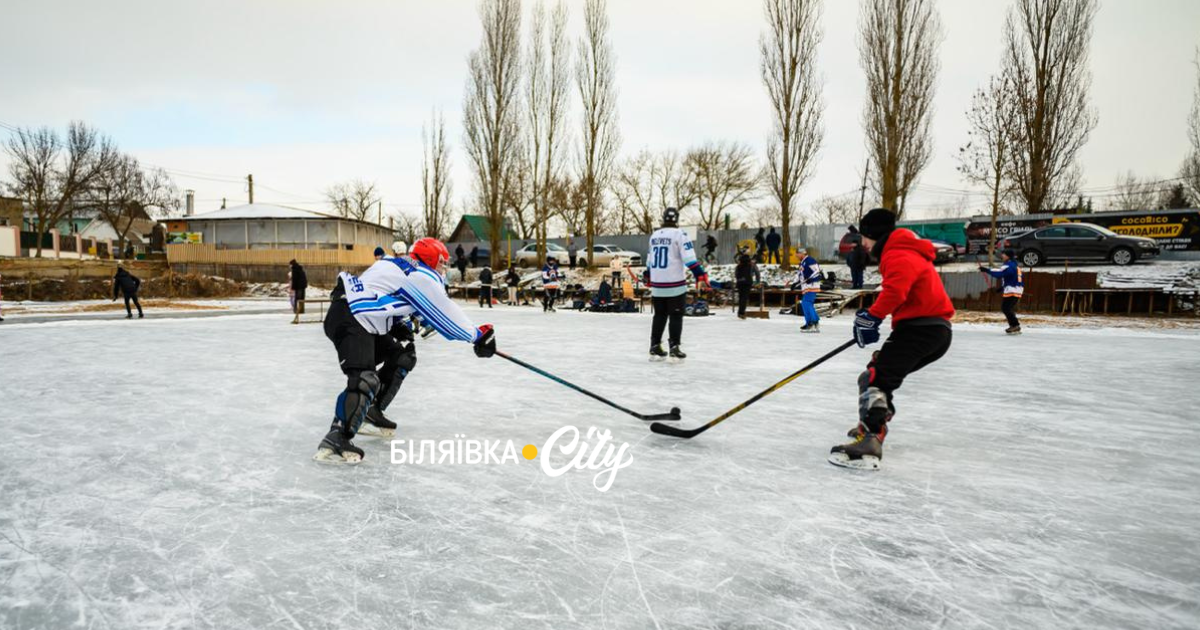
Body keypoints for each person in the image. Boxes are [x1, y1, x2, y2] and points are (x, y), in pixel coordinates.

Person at [314, 237, 496, 463]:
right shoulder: (420, 275)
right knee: (364, 379)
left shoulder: (397, 265)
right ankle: (336, 438)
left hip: (359, 316)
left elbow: (385, 292)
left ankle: (371, 412)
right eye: (441, 262)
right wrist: (477, 335)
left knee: (402, 356)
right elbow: (445, 313)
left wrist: (399, 322)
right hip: (353, 319)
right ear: (430, 260)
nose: (444, 268)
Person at [832, 208, 954, 471]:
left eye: (864, 237)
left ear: (874, 234)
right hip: (927, 329)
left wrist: (872, 317)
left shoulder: (898, 252)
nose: (862, 243)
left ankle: (872, 437)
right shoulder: (903, 250)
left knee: (877, 378)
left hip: (922, 329)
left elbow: (896, 291)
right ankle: (870, 424)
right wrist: (873, 317)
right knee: (874, 374)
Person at [647, 207, 708, 361]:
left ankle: (654, 345)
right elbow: (689, 259)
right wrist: (699, 274)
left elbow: (650, 260)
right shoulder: (680, 235)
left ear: (664, 218)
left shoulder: (654, 236)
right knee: (675, 315)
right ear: (677, 219)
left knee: (659, 315)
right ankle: (674, 346)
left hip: (657, 284)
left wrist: (648, 275)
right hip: (674, 284)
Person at [980, 248, 1024, 334]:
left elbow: (999, 274)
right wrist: (1002, 288)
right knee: (1008, 308)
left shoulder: (1009, 265)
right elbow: (1011, 278)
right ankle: (1014, 325)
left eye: (1004, 254)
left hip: (1012, 289)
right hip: (1017, 289)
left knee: (1006, 308)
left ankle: (1015, 325)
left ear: (1008, 256)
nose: (1002, 255)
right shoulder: (1014, 265)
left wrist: (986, 270)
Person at [794, 248, 823, 332]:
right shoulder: (802, 262)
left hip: (812, 285)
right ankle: (812, 322)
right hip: (806, 286)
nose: (796, 256)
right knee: (805, 303)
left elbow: (817, 271)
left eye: (797, 254)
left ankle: (812, 322)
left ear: (802, 253)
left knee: (806, 302)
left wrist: (811, 279)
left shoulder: (810, 260)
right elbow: (800, 274)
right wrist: (794, 282)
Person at [734, 253, 758, 319]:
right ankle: (741, 313)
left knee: (741, 297)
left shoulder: (739, 265)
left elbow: (736, 274)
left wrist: (739, 279)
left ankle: (740, 312)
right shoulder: (752, 265)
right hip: (747, 283)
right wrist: (757, 281)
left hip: (739, 282)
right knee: (744, 298)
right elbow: (757, 273)